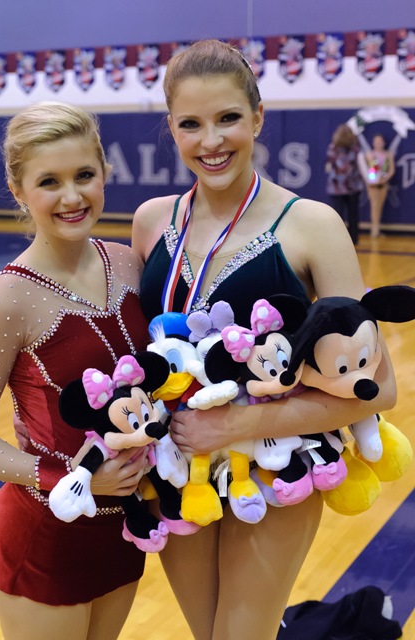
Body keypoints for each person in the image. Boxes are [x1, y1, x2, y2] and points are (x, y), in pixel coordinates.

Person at [131, 40, 397, 640]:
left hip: (278, 467)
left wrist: (238, 427)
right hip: (178, 469)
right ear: (170, 129)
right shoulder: (152, 221)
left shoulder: (312, 225)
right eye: (191, 124)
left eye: (227, 118)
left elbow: (378, 390)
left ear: (258, 117)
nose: (211, 140)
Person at [0, 102, 152, 640]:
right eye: (49, 182)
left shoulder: (128, 263)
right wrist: (70, 479)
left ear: (104, 172)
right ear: (19, 191)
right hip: (43, 537)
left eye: (84, 175)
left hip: (120, 531)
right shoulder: (4, 300)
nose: (71, 197)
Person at [325, 123, 364, 245]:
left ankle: (339, 239)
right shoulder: (356, 148)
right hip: (353, 186)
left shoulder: (333, 148)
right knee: (353, 215)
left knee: (338, 215)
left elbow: (329, 166)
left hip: (337, 187)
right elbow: (358, 166)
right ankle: (354, 239)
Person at [358, 133, 395, 238]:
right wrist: (373, 180)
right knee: (374, 206)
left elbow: (391, 170)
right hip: (373, 185)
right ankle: (374, 231)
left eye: (380, 141)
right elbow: (366, 170)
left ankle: (377, 229)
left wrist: (384, 180)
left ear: (384, 143)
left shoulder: (388, 155)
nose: (378, 144)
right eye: (376, 142)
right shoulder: (369, 155)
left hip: (383, 184)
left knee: (379, 206)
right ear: (373, 143)